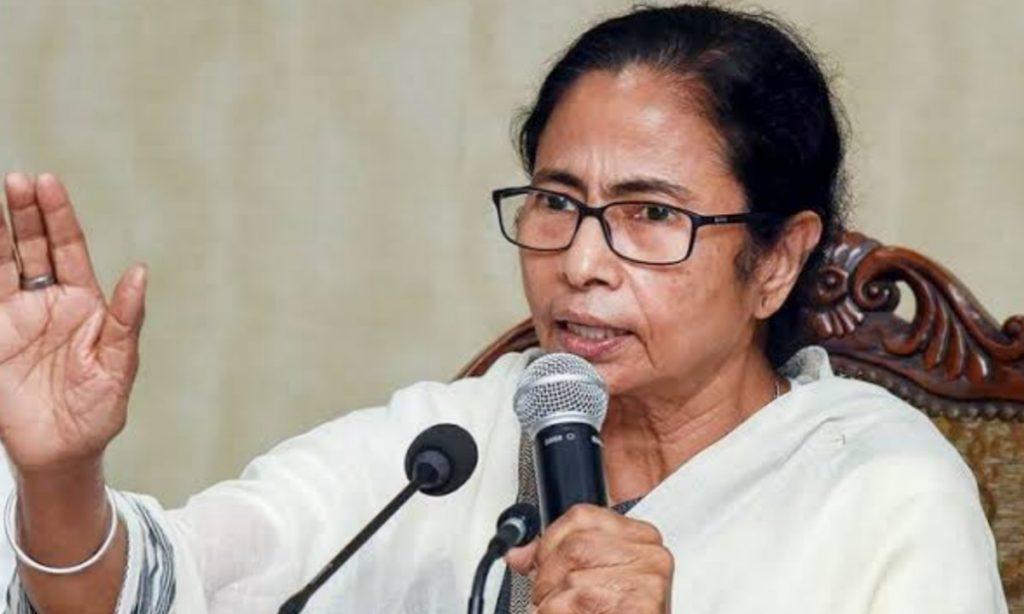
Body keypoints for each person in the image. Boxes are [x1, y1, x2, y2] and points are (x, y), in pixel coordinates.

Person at [0, 4, 1008, 614]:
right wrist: (59, 471)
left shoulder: (879, 489)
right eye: (558, 202)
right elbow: (159, 589)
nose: (580, 262)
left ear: (777, 259)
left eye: (651, 214)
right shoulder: (452, 445)